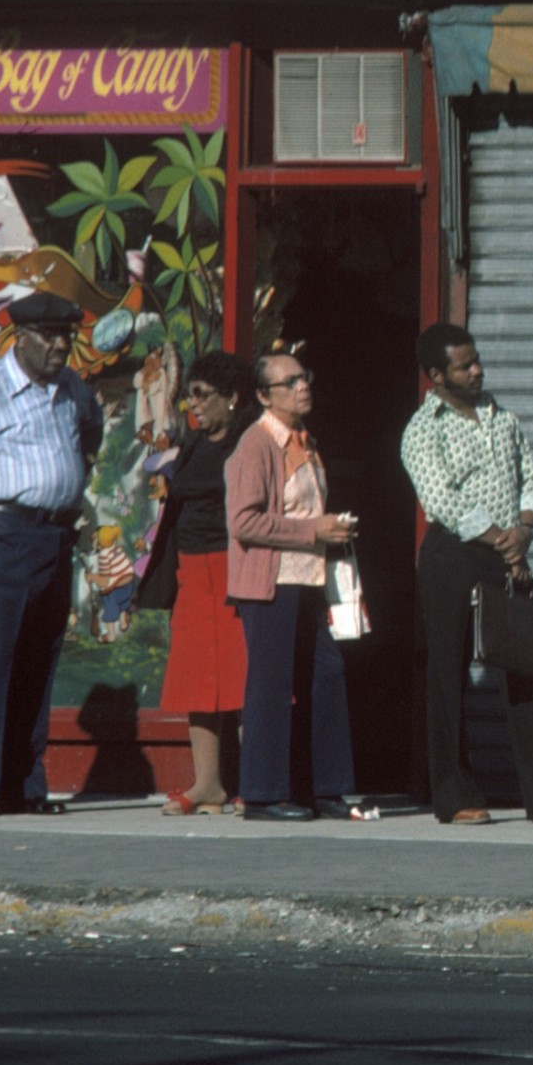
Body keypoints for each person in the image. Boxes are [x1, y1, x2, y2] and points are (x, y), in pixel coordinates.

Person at [401, 323, 533, 826]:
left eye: (477, 360)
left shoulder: (501, 418)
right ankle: (454, 792)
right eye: (464, 366)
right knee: (447, 672)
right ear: (438, 375)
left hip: (509, 553)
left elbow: (531, 478)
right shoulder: (424, 430)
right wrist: (501, 538)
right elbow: (442, 500)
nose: (477, 371)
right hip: (454, 555)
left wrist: (523, 530)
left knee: (529, 669)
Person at [0, 293, 103, 817]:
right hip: (3, 533)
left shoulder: (72, 388)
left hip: (54, 535)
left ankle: (24, 786)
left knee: (38, 662)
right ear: (20, 337)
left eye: (66, 336)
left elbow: (91, 433)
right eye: (50, 337)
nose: (61, 346)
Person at [227, 351, 371, 823]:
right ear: (264, 396)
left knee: (325, 675)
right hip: (272, 582)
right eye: (288, 382)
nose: (302, 386)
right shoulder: (256, 444)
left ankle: (323, 787)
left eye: (303, 377)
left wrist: (330, 530)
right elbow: (244, 521)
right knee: (271, 684)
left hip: (309, 579)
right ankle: (263, 793)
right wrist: (314, 530)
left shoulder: (304, 440)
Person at [136, 351, 259, 816]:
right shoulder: (192, 444)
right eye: (190, 395)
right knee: (198, 679)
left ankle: (255, 782)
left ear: (232, 397)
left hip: (234, 568)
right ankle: (208, 784)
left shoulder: (250, 442)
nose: (195, 404)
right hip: (192, 570)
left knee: (243, 678)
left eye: (204, 395)